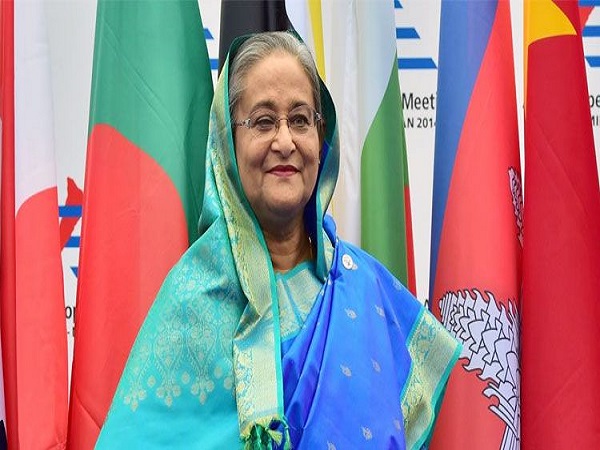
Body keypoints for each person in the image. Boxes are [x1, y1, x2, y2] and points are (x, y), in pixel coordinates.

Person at [95, 31, 460, 450]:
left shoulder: (366, 289)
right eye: (263, 121)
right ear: (228, 144)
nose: (285, 142)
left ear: (321, 139)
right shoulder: (192, 301)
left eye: (301, 120)